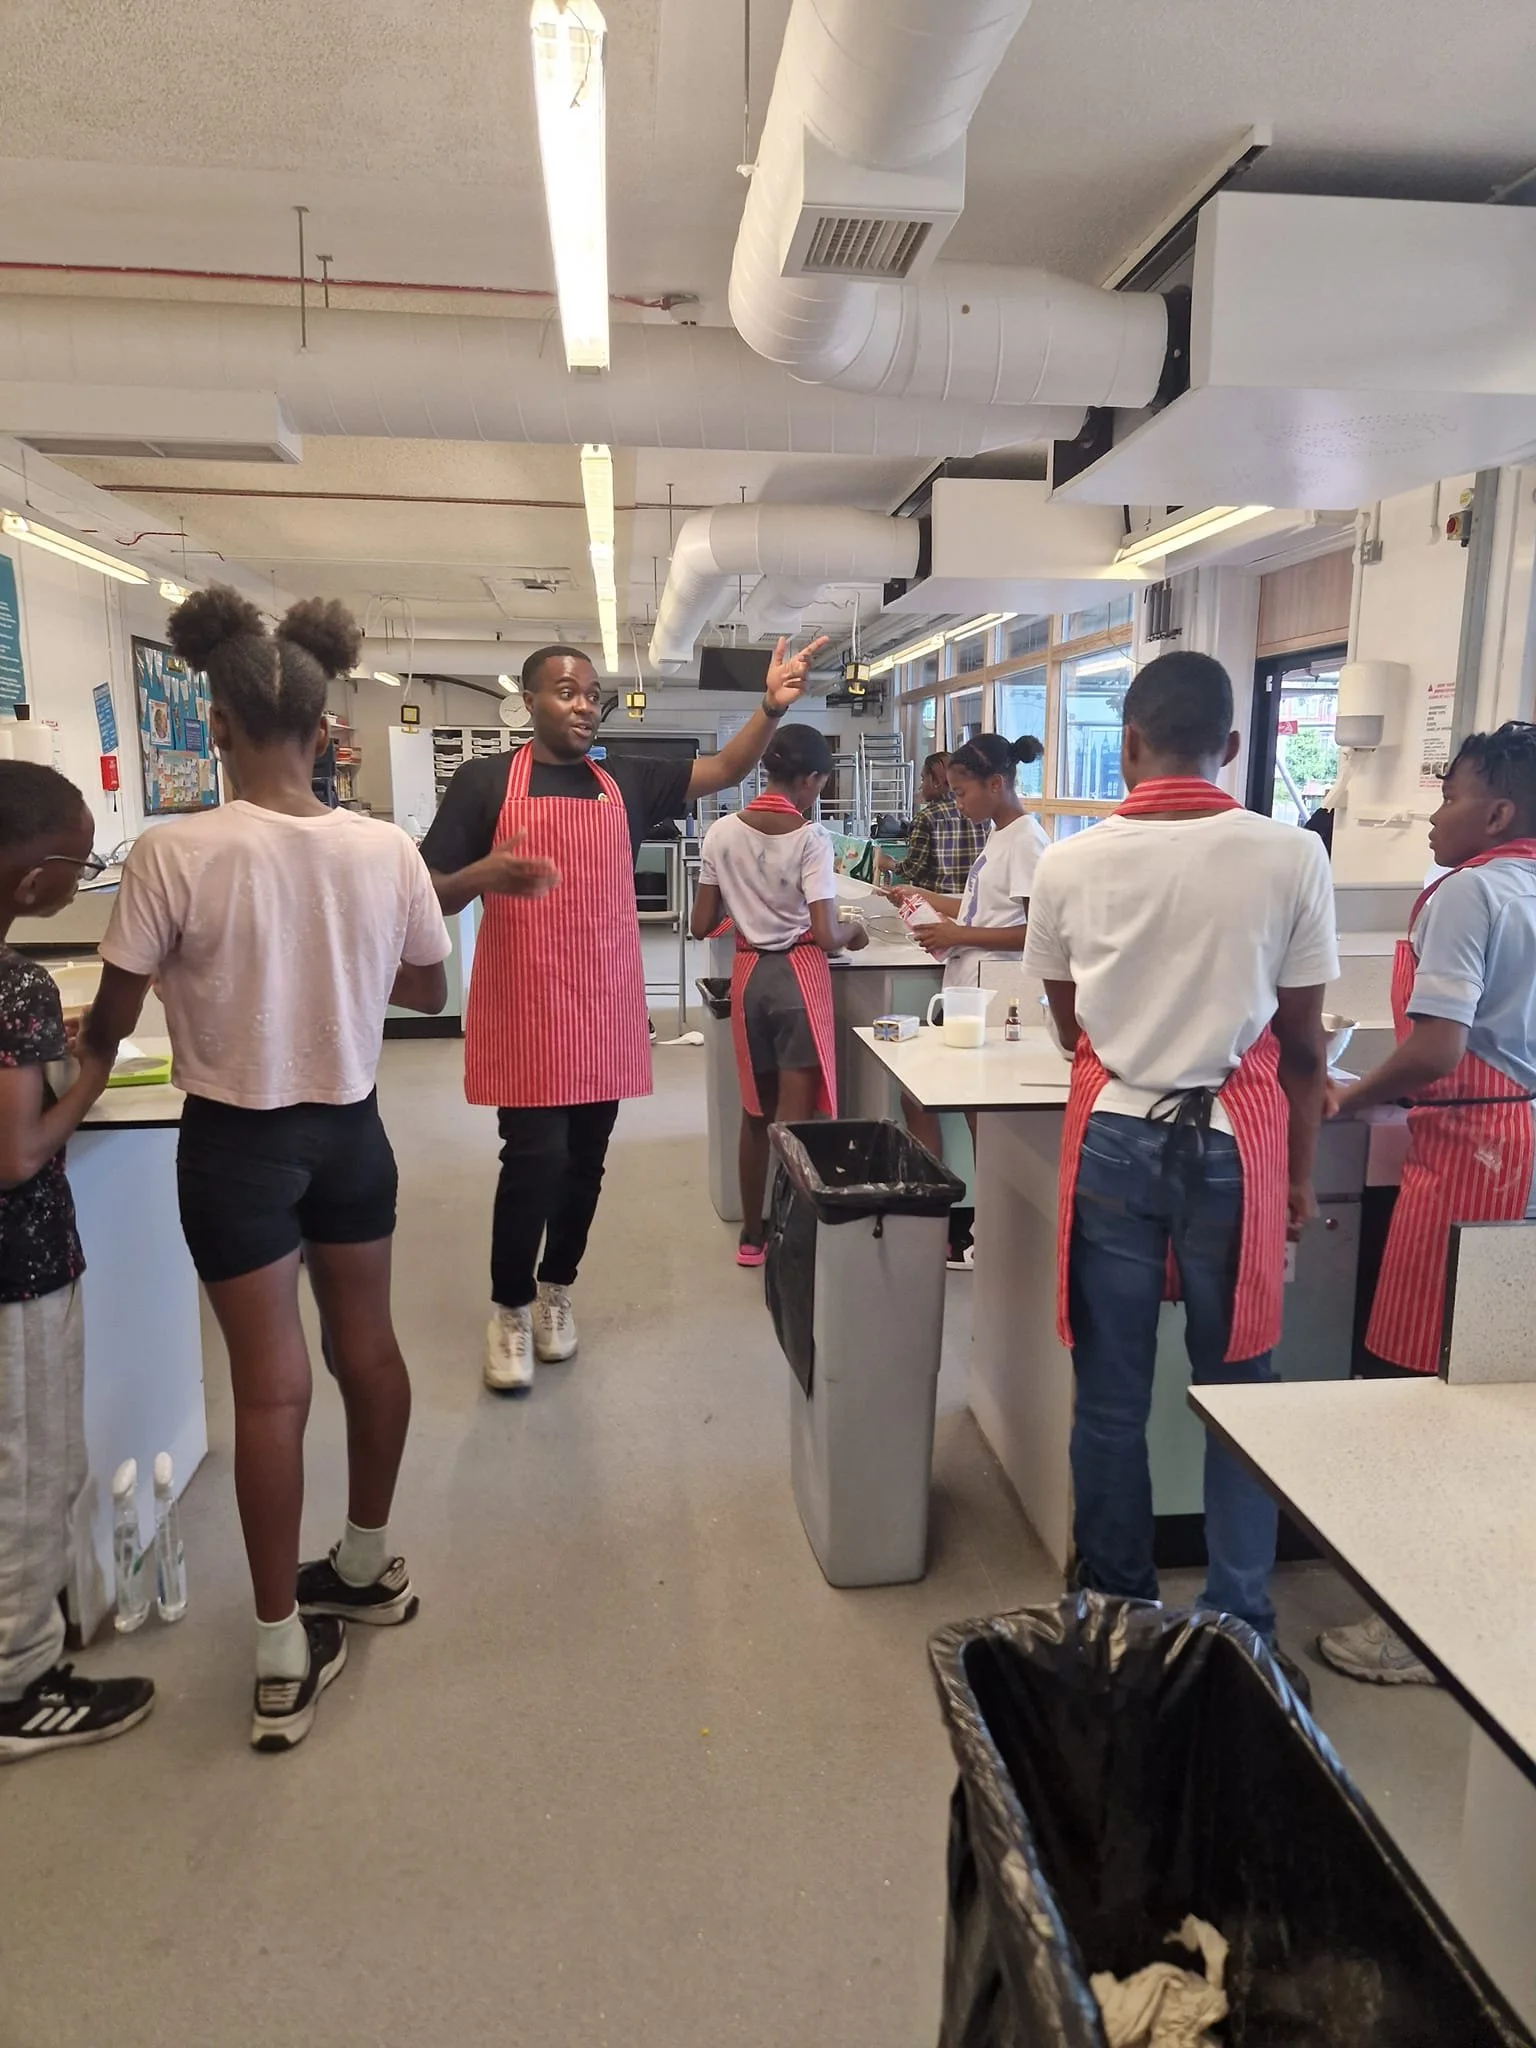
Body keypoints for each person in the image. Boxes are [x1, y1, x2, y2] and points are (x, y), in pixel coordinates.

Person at [84, 588, 452, 1754]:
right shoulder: (384, 847)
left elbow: (106, 1028)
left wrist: (51, 1116)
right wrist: (337, 964)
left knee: (271, 1387)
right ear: (325, 729)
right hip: (353, 1130)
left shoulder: (171, 850)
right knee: (371, 1350)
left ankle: (282, 1648)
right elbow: (429, 991)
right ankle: (364, 1561)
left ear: (223, 726)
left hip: (234, 1145)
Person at [1023, 651, 1335, 1681]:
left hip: (1112, 1133)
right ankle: (1241, 1622)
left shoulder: (1069, 860)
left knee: (1109, 1397)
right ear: (1234, 746)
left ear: (1127, 744)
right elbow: (1300, 1043)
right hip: (1235, 1146)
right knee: (1242, 1386)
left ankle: (1115, 1611)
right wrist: (1296, 1173)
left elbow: (1073, 1023)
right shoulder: (1292, 854)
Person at [421, 635, 825, 1393]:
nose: (582, 703)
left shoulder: (627, 782)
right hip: (526, 1006)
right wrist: (482, 873)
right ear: (529, 700)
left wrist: (769, 707)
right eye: (565, 690)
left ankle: (556, 1290)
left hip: (604, 1006)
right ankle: (508, 1308)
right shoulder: (482, 785)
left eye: (590, 691)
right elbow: (426, 890)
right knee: (531, 1161)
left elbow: (727, 768)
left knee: (585, 1163)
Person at [1317, 723, 1536, 1686]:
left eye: (1448, 794)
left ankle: (1416, 1628)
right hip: (1520, 1133)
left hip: (1476, 1153)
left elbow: (1438, 1049)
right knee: (1492, 1387)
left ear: (1497, 812)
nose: (1432, 815)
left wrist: (1347, 1096)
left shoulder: (1468, 893)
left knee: (1429, 1387)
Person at [0, 764, 154, 1760]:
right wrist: (92, 1067)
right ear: (30, 882)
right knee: (30, 1463)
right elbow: (17, 1153)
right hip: (18, 1270)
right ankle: (20, 1680)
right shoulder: (18, 987)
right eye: (76, 860)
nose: (80, 878)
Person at [689, 724, 868, 1267]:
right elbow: (829, 933)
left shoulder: (720, 832)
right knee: (794, 1122)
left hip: (748, 981)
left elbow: (701, 923)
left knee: (753, 1113)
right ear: (810, 778)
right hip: (798, 978)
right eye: (819, 784)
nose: (816, 793)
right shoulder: (811, 839)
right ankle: (790, 1237)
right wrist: (854, 932)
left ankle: (751, 1234)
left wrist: (749, 906)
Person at [884, 732, 1049, 1262]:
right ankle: (961, 1220)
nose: (956, 803)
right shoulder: (999, 835)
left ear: (996, 784)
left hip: (997, 994)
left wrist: (957, 935)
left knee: (982, 1119)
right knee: (932, 1100)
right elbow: (983, 909)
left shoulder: (1025, 840)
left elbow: (1035, 933)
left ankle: (986, 1232)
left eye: (960, 792)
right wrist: (924, 899)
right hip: (970, 987)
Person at [874, 751, 990, 896]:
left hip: (935, 904)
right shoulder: (981, 815)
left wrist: (888, 863)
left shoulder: (926, 818)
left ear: (936, 782)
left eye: (923, 779)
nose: (921, 787)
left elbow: (912, 870)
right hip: (969, 902)